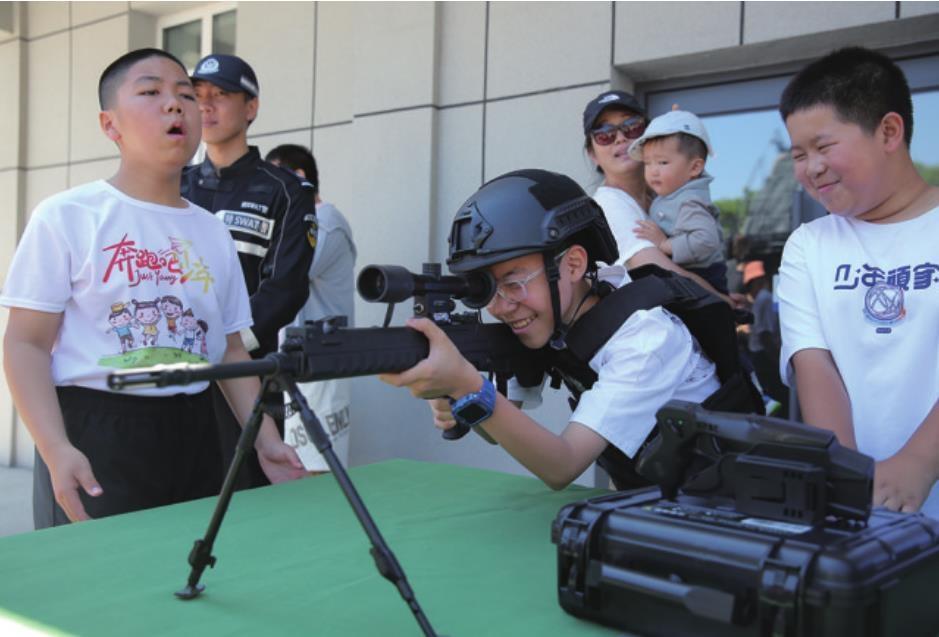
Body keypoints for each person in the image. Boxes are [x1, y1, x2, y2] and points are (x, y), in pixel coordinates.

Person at [0, 48, 304, 529]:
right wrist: (55, 446)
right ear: (110, 124)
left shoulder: (211, 232)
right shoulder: (68, 216)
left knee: (189, 564)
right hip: (97, 430)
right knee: (102, 570)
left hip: (196, 428)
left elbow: (229, 348)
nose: (175, 104)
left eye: (185, 94)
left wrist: (264, 438)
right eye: (150, 92)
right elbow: (25, 344)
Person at [379, 169, 757, 491]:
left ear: (573, 265)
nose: (500, 306)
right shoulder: (558, 320)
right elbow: (498, 426)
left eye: (513, 282)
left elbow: (563, 464)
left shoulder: (645, 340)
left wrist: (467, 385)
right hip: (657, 508)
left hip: (728, 512)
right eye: (486, 290)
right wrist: (460, 398)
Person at [776, 46, 939, 516]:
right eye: (799, 154)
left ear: (889, 131)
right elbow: (815, 365)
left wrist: (920, 461)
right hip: (864, 514)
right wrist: (848, 477)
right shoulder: (808, 246)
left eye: (824, 147)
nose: (812, 167)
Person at [181, 54, 317, 489]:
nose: (206, 105)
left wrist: (225, 345)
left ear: (251, 107)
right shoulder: (173, 184)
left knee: (245, 499)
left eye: (220, 95)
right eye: (197, 95)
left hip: (249, 376)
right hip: (175, 374)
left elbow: (285, 289)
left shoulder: (287, 191)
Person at [581, 91, 728, 299]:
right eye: (604, 133)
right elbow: (665, 274)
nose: (620, 138)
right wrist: (726, 303)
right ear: (592, 154)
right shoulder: (608, 204)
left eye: (632, 126)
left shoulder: (666, 194)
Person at [264, 144, 357, 472]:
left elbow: (290, 271)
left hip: (321, 359)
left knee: (316, 467)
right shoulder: (307, 221)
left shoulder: (325, 221)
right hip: (300, 359)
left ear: (298, 176)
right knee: (294, 464)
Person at [626, 110, 728, 293]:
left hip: (705, 275)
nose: (653, 171)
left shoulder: (690, 201)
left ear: (694, 167)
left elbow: (706, 240)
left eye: (663, 162)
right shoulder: (671, 195)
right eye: (647, 163)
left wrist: (665, 245)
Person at [742, 261, 788, 418]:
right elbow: (765, 335)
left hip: (762, 356)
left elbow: (763, 333)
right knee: (779, 399)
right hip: (765, 356)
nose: (750, 291)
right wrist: (777, 360)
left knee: (775, 398)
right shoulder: (765, 299)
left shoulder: (763, 298)